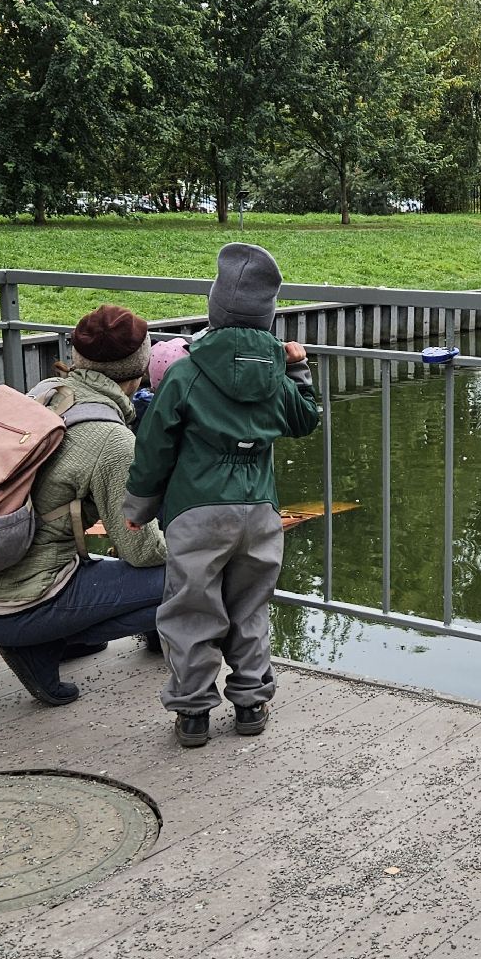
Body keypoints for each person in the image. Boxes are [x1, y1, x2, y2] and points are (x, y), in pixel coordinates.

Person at [122, 243, 319, 747]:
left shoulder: (186, 371)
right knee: (250, 606)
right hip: (259, 510)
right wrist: (299, 369)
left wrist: (139, 506)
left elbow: (155, 443)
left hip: (196, 508)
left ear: (214, 307)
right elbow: (304, 421)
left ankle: (192, 714)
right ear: (267, 317)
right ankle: (251, 703)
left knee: (191, 609)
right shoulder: (276, 373)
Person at [0, 304, 170, 706]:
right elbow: (142, 551)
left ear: (77, 355)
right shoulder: (111, 441)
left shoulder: (47, 392)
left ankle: (52, 637)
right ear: (141, 368)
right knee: (195, 578)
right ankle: (37, 644)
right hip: (14, 605)